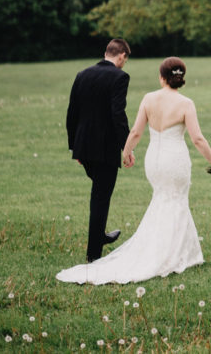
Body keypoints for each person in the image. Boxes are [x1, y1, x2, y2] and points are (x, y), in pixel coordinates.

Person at [57, 57, 211, 284]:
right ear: (180, 78)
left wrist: (126, 152)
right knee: (175, 200)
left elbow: (136, 132)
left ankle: (170, 250)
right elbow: (197, 138)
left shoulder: (149, 99)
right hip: (174, 160)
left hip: (154, 162)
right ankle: (173, 254)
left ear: (161, 77)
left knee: (162, 199)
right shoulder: (186, 103)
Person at [64, 38, 131, 263]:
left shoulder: (82, 74)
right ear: (121, 56)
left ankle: (99, 236)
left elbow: (72, 113)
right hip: (105, 148)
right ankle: (93, 253)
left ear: (106, 53)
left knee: (99, 193)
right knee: (101, 197)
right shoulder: (120, 77)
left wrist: (75, 147)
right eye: (125, 59)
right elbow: (117, 114)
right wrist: (127, 146)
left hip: (84, 147)